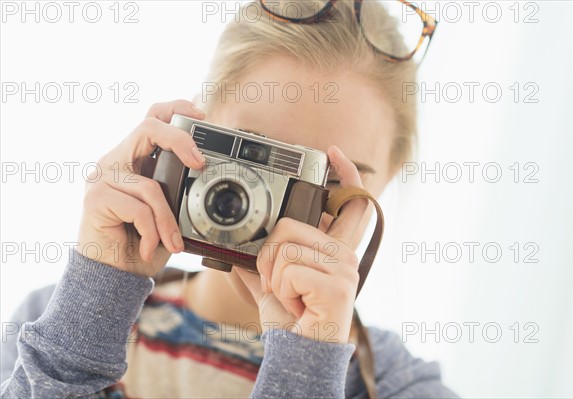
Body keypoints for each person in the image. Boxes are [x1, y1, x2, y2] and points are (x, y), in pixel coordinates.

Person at [1, 1, 458, 397]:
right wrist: (98, 289)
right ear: (195, 128)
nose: (270, 209)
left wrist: (308, 363)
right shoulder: (53, 326)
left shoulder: (401, 387)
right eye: (252, 153)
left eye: (329, 183)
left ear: (382, 186)